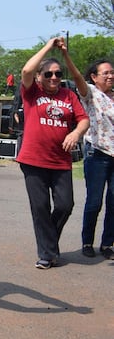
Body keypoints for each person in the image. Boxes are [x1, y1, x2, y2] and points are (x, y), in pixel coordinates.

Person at [16, 36, 89, 269]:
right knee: (40, 208)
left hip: (60, 162)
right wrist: (48, 45)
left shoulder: (68, 95)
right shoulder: (32, 92)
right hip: (33, 160)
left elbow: (84, 120)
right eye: (48, 74)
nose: (54, 78)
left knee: (65, 205)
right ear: (39, 77)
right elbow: (27, 69)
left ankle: (49, 244)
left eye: (58, 73)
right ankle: (47, 254)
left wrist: (75, 133)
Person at [67, 57, 114, 259]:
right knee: (94, 202)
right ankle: (87, 242)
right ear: (94, 77)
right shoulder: (91, 94)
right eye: (106, 73)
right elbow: (77, 77)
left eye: (112, 72)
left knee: (113, 202)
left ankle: (107, 244)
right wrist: (67, 56)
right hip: (97, 154)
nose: (111, 76)